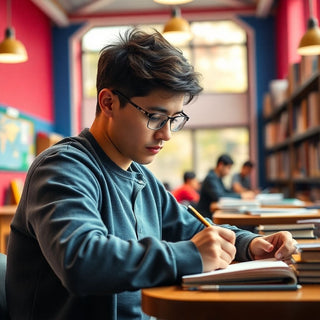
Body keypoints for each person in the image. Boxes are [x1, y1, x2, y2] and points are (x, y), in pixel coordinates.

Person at [6, 28, 296, 320]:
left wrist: (250, 244)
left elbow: (195, 229)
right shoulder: (62, 168)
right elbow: (81, 261)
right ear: (108, 103)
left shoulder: (142, 179)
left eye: (174, 119)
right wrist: (191, 255)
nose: (166, 134)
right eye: (155, 117)